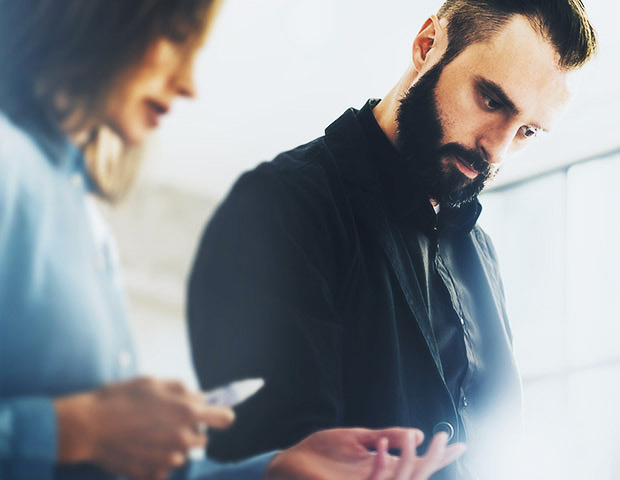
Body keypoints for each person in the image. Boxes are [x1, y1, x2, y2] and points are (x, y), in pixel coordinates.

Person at [0, 1, 466, 479]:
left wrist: (277, 469)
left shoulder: (79, 212)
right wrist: (75, 429)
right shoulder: (9, 169)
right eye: (176, 36)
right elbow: (80, 437)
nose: (188, 84)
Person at [187, 0, 599, 478]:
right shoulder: (279, 204)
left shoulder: (481, 252)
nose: (498, 149)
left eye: (527, 130)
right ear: (427, 46)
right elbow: (267, 453)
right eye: (491, 100)